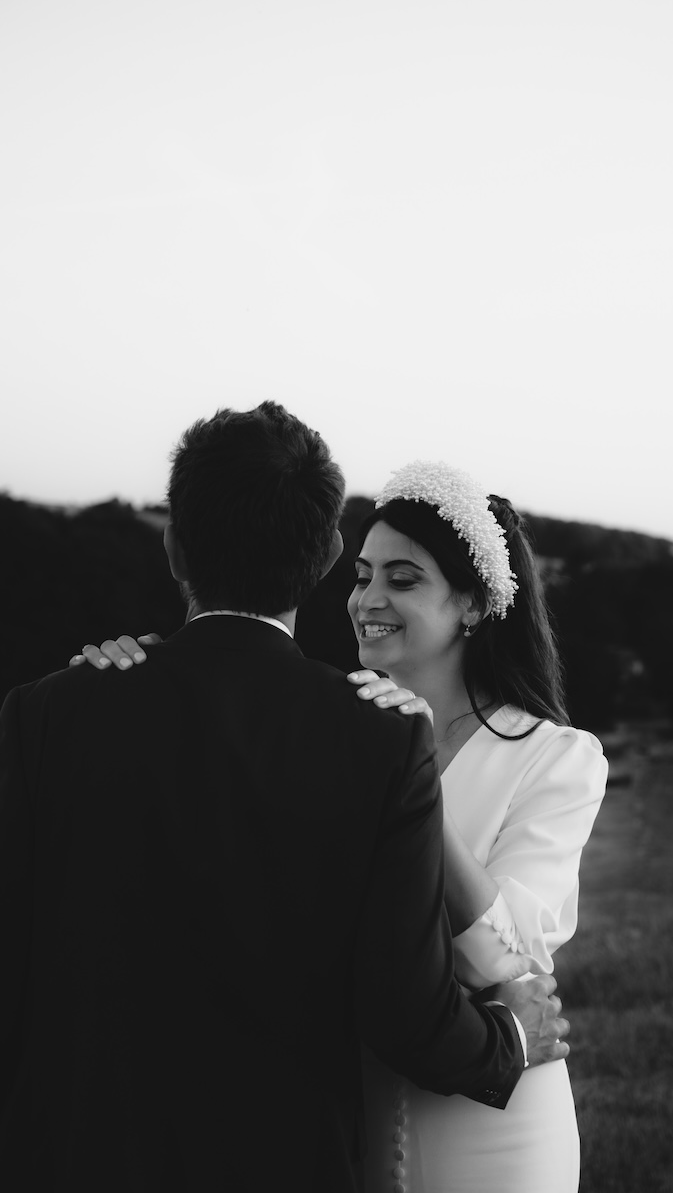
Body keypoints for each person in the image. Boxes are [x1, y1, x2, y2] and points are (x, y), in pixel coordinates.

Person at [0, 407, 570, 1193]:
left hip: (68, 1157)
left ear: (172, 544)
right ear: (329, 557)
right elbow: (405, 1009)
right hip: (278, 1160)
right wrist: (509, 1035)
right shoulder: (377, 742)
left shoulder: (45, 712)